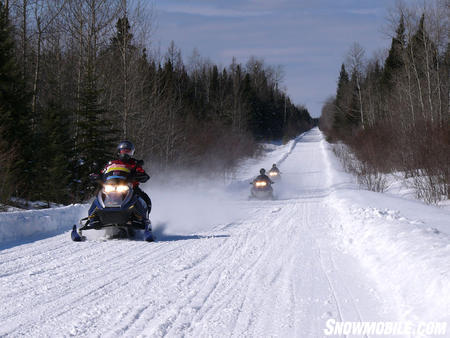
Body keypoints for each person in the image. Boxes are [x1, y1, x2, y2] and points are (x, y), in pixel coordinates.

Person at [99, 140, 152, 216]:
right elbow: (104, 172)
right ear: (119, 151)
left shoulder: (134, 164)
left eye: (128, 151)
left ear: (131, 153)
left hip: (131, 187)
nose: (125, 153)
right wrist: (97, 176)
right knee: (100, 195)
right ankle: (92, 217)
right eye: (123, 151)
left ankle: (143, 217)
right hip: (112, 185)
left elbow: (142, 173)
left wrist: (141, 175)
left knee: (144, 198)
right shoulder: (112, 163)